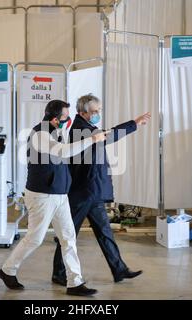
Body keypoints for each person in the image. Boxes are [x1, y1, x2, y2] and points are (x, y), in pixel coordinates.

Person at [0, 100, 106, 296]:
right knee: (35, 239)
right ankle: (7, 270)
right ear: (56, 119)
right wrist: (92, 139)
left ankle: (75, 282)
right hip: (42, 196)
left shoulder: (56, 131)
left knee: (68, 238)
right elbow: (62, 151)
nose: (69, 120)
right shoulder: (40, 134)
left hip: (59, 194)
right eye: (66, 117)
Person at [52, 94, 151, 285]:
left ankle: (119, 269)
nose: (98, 114)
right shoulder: (81, 129)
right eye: (95, 111)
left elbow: (105, 135)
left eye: (99, 110)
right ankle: (58, 272)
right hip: (82, 192)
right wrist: (134, 124)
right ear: (82, 113)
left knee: (105, 232)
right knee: (68, 235)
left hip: (92, 192)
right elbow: (109, 136)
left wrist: (134, 124)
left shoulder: (88, 127)